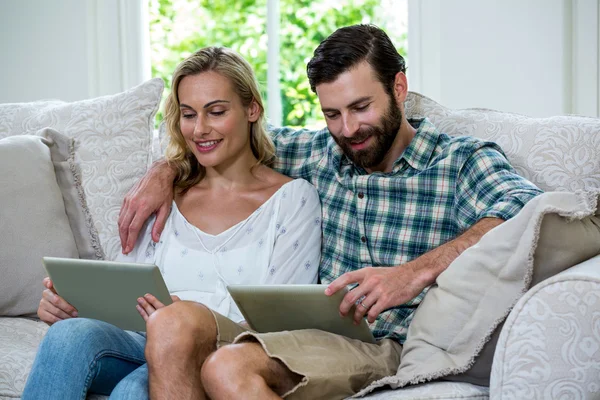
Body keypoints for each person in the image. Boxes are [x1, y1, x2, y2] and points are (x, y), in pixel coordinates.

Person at [118, 25, 543, 399]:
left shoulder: (459, 161)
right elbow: (220, 140)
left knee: (226, 367)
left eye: (361, 107)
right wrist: (166, 168)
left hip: (390, 343)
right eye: (332, 114)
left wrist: (413, 272)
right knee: (193, 340)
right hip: (306, 338)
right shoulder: (320, 153)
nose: (348, 129)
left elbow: (529, 211)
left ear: (399, 88)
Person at [21, 47, 322, 400]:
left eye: (217, 111)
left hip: (219, 349)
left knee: (132, 391)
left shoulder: (292, 199)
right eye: (189, 114)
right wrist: (70, 304)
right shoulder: (164, 195)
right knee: (67, 336)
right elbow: (121, 286)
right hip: (137, 338)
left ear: (252, 109)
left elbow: (279, 322)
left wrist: (185, 319)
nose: (200, 129)